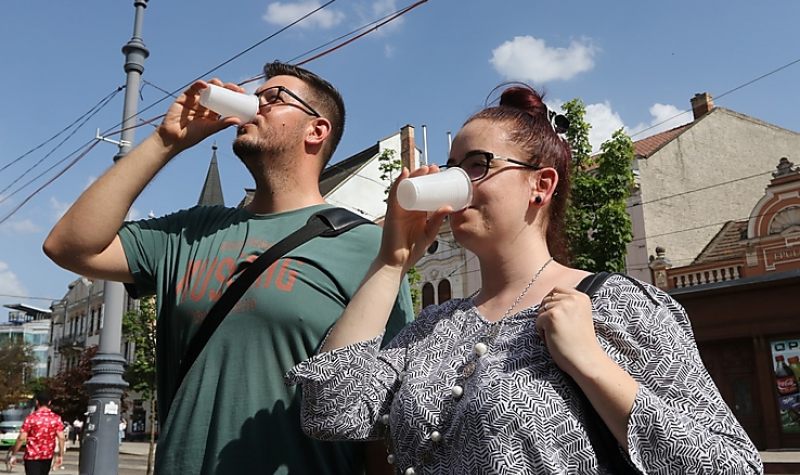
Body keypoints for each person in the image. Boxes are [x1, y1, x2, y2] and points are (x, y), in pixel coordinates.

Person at [286, 84, 764, 473]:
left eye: (478, 165)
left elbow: (731, 466)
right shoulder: (435, 325)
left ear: (541, 184)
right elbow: (331, 411)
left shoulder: (616, 304)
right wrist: (390, 263)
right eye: (453, 169)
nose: (458, 184)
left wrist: (592, 365)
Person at [43, 61, 413, 474]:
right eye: (256, 96)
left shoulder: (371, 248)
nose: (255, 105)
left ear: (316, 130)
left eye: (273, 98)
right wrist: (166, 140)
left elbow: (385, 412)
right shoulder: (192, 231)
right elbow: (68, 246)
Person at [7, 391, 65, 475]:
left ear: (37, 402)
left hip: (32, 456)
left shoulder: (31, 418)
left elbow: (21, 438)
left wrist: (14, 453)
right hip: (47, 456)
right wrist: (60, 455)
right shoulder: (56, 418)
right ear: (49, 402)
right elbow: (61, 437)